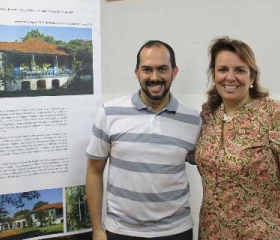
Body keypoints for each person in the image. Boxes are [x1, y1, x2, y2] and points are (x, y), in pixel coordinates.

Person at [194, 36, 280, 239]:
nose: (230, 77)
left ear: (252, 77)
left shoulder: (274, 115)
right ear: (214, 74)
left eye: (240, 70)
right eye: (223, 69)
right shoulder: (209, 115)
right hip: (212, 231)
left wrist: (268, 203)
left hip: (258, 232)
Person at [86, 40, 201, 240]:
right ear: (137, 72)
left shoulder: (193, 121)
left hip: (176, 232)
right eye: (147, 69)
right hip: (121, 231)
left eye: (162, 69)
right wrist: (97, 229)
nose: (155, 77)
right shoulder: (109, 113)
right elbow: (94, 171)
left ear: (174, 72)